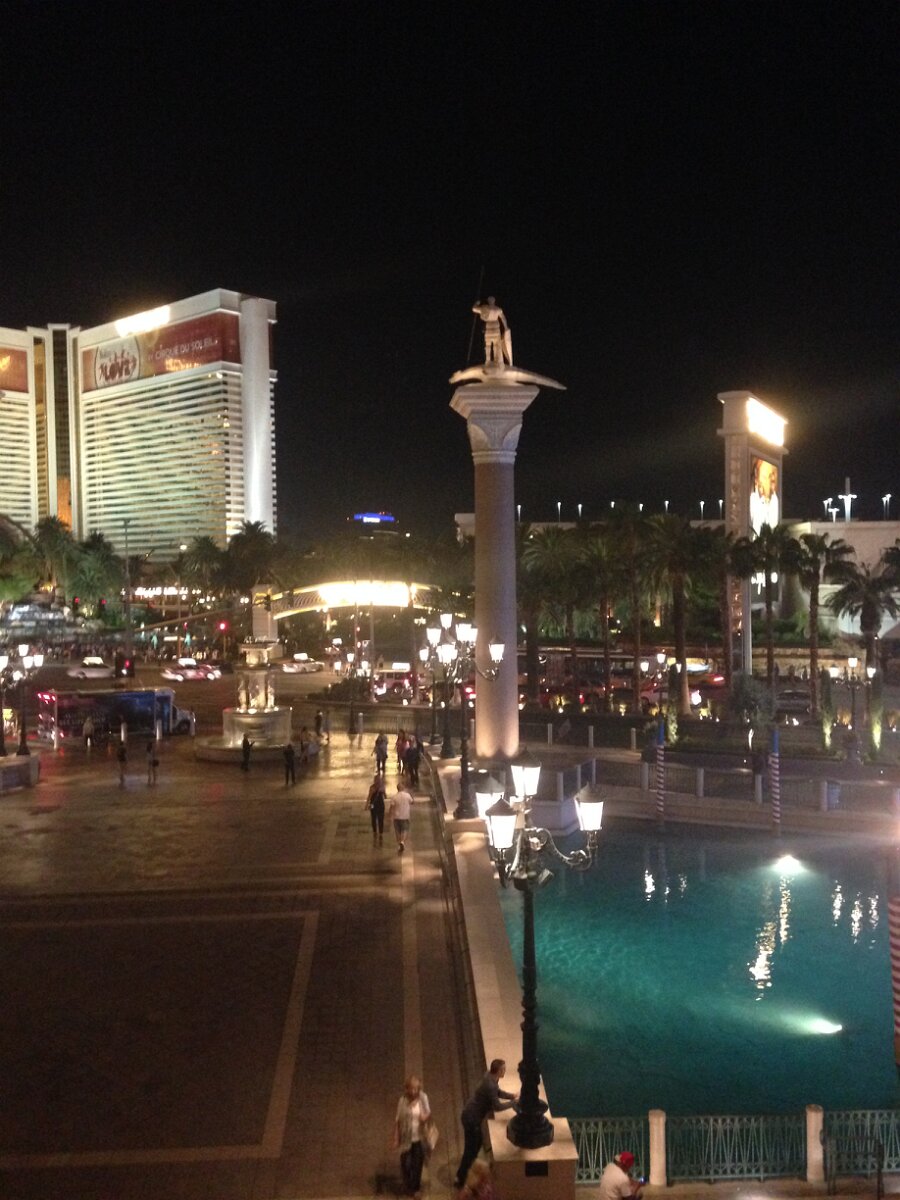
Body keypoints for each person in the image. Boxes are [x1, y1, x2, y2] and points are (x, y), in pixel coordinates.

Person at [454, 1059, 518, 1188]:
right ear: (498, 1071)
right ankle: (460, 1178)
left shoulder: (490, 1077)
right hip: (472, 1119)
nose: (505, 1071)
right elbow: (497, 1106)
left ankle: (467, 1172)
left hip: (471, 1116)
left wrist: (512, 1096)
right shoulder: (490, 1085)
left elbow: (498, 1092)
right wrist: (513, 1103)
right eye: (503, 1069)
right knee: (470, 1150)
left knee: (477, 1144)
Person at [393, 1074, 431, 1199]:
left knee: (417, 1164)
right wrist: (396, 1137)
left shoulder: (423, 1097)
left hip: (419, 1138)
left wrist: (424, 1117)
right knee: (405, 1163)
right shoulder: (402, 1100)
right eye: (412, 1088)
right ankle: (408, 1183)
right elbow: (398, 1119)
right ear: (407, 1088)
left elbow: (428, 1112)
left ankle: (415, 1188)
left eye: (416, 1088)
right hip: (406, 1137)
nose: (414, 1091)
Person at [472, 296, 513, 366]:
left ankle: (488, 360)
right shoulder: (498, 309)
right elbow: (503, 318)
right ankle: (495, 359)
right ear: (494, 301)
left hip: (489, 327)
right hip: (496, 328)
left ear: (488, 301)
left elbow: (474, 309)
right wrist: (506, 327)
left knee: (488, 345)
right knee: (496, 345)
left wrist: (477, 303)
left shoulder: (485, 308)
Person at [749, 456, 779, 536]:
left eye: (770, 476)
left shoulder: (775, 500)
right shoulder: (752, 500)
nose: (767, 482)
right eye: (764, 477)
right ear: (757, 477)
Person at [389, 780, 413, 854]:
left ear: (397, 788)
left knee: (397, 831)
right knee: (404, 830)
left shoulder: (394, 797)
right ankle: (402, 842)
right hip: (405, 816)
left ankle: (399, 844)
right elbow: (412, 802)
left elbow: (391, 807)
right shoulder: (407, 795)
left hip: (396, 816)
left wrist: (390, 815)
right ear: (403, 788)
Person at [366, 772, 386, 846]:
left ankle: (376, 831)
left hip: (374, 805)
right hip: (379, 805)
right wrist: (382, 792)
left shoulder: (372, 787)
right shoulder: (381, 787)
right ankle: (380, 832)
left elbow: (369, 797)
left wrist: (366, 805)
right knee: (379, 819)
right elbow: (385, 796)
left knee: (374, 818)